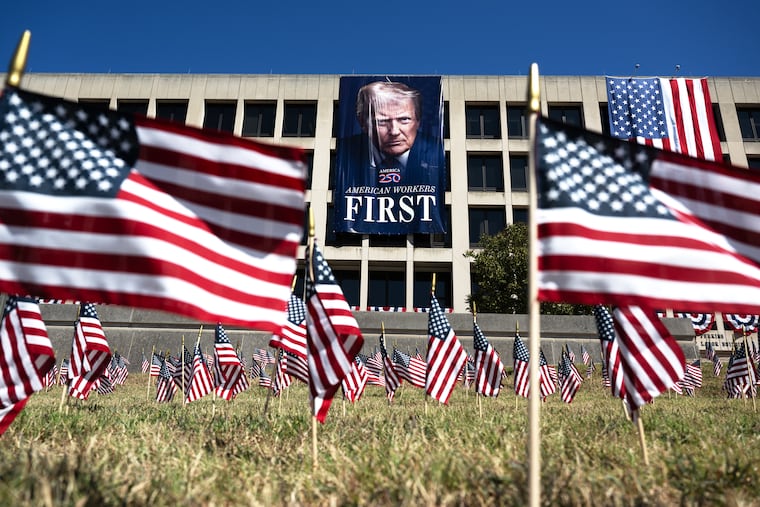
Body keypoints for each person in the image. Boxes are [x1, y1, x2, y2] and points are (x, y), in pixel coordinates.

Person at [349, 80, 444, 186]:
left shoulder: (439, 153)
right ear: (363, 124)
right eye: (382, 121)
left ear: (418, 121)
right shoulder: (345, 155)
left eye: (404, 119)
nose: (394, 132)